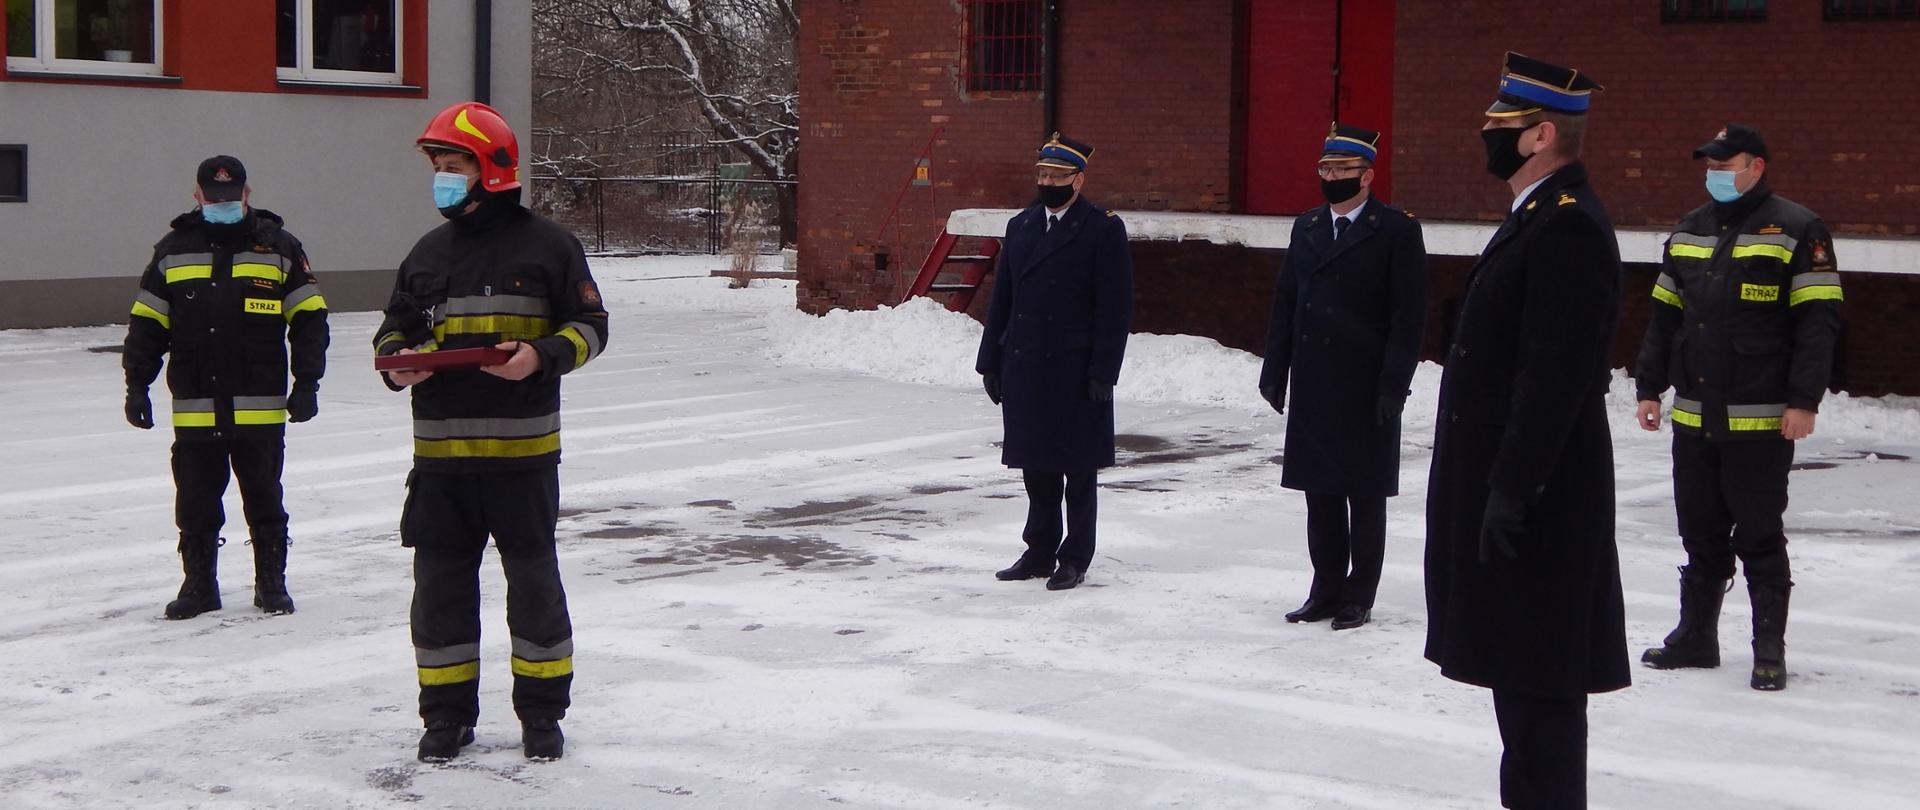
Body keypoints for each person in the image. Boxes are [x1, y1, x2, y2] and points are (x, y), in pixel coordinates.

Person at [1423, 53, 1630, 809]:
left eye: (1499, 125)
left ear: (1542, 135)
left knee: (1540, 693)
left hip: (1539, 505)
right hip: (1515, 494)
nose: (1484, 133)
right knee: (1520, 686)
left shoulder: (1568, 226)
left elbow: (1555, 376)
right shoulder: (1536, 217)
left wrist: (1512, 489)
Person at [374, 102, 609, 763]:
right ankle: (445, 719)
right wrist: (400, 365)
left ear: (493, 169)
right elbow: (394, 328)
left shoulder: (550, 247)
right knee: (440, 598)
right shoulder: (427, 253)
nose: (442, 179)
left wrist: (541, 355)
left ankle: (542, 717)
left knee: (534, 594)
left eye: (453, 166)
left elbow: (592, 327)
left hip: (522, 461)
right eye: (438, 167)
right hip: (442, 467)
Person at [1633, 124, 1842, 692]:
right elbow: (1664, 319)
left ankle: (1768, 650)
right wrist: (1649, 388)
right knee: (1699, 533)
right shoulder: (1689, 229)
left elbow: (1818, 325)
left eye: (1726, 164)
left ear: (1757, 166)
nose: (1715, 173)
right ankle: (1696, 637)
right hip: (1695, 417)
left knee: (1758, 537)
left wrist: (1804, 401)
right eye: (1710, 164)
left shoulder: (1798, 228)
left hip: (1760, 418)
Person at [123, 155, 328, 620]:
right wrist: (137, 384)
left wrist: (308, 382)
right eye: (213, 197)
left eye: (230, 197)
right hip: (196, 404)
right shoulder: (173, 250)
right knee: (195, 499)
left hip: (260, 405)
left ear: (246, 194)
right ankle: (199, 586)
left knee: (264, 496)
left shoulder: (278, 247)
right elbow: (148, 324)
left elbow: (310, 319)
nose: (222, 204)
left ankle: (271, 584)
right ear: (197, 196)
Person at [1259, 123, 1427, 631]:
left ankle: (1360, 593)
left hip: (1364, 385)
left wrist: (1393, 386)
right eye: (1325, 169)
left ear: (1368, 176)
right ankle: (1325, 588)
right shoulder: (1307, 226)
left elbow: (1408, 316)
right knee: (1320, 493)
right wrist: (1275, 369)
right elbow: (1287, 301)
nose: (1330, 177)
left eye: (1341, 169)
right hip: (1315, 382)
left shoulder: (1395, 230)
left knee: (1364, 494)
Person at [975, 132, 1134, 592]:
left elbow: (1114, 306)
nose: (1046, 182)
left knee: (1078, 469)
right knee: (1035, 464)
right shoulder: (1022, 225)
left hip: (1075, 368)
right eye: (1041, 174)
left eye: (1056, 176)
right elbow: (1003, 297)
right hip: (1025, 363)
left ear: (1078, 180)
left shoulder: (1102, 228)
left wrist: (1105, 369)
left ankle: (1075, 555)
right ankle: (1039, 549)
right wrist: (991, 360)